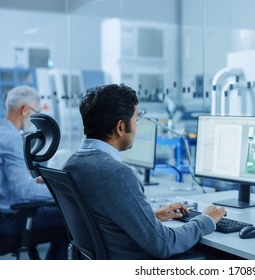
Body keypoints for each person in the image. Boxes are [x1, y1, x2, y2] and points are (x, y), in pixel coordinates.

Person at [64, 83, 227, 259]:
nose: (136, 127)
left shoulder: (73, 164)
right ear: (120, 127)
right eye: (136, 119)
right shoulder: (116, 173)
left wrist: (150, 217)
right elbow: (164, 244)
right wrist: (206, 220)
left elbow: (101, 223)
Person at [0, 85, 68, 259]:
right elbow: (22, 192)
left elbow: (5, 180)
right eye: (36, 111)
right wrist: (62, 191)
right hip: (10, 221)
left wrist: (38, 181)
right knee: (72, 218)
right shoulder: (11, 139)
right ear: (25, 109)